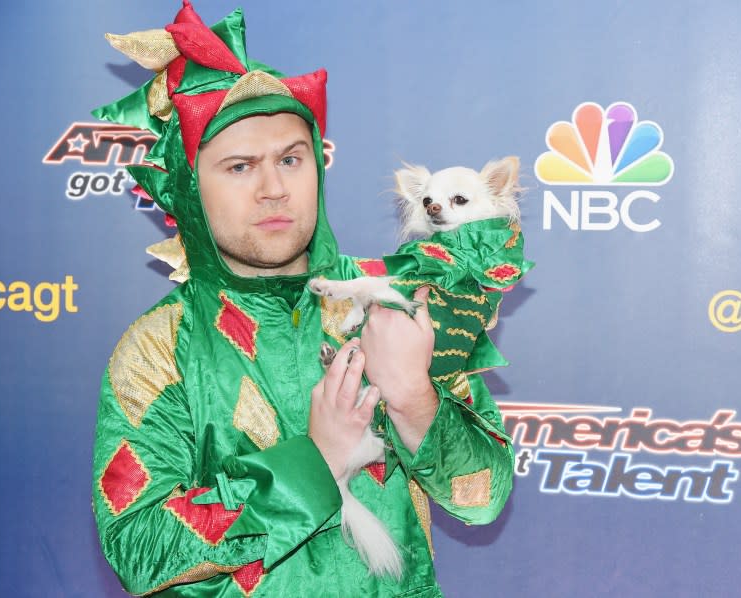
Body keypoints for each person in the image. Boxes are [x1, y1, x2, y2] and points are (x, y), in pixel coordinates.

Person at [92, 2, 514, 595]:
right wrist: (313, 463)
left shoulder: (397, 302)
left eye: (291, 159)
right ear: (190, 190)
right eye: (239, 167)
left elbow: (482, 496)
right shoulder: (159, 347)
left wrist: (414, 397)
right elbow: (138, 549)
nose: (273, 189)